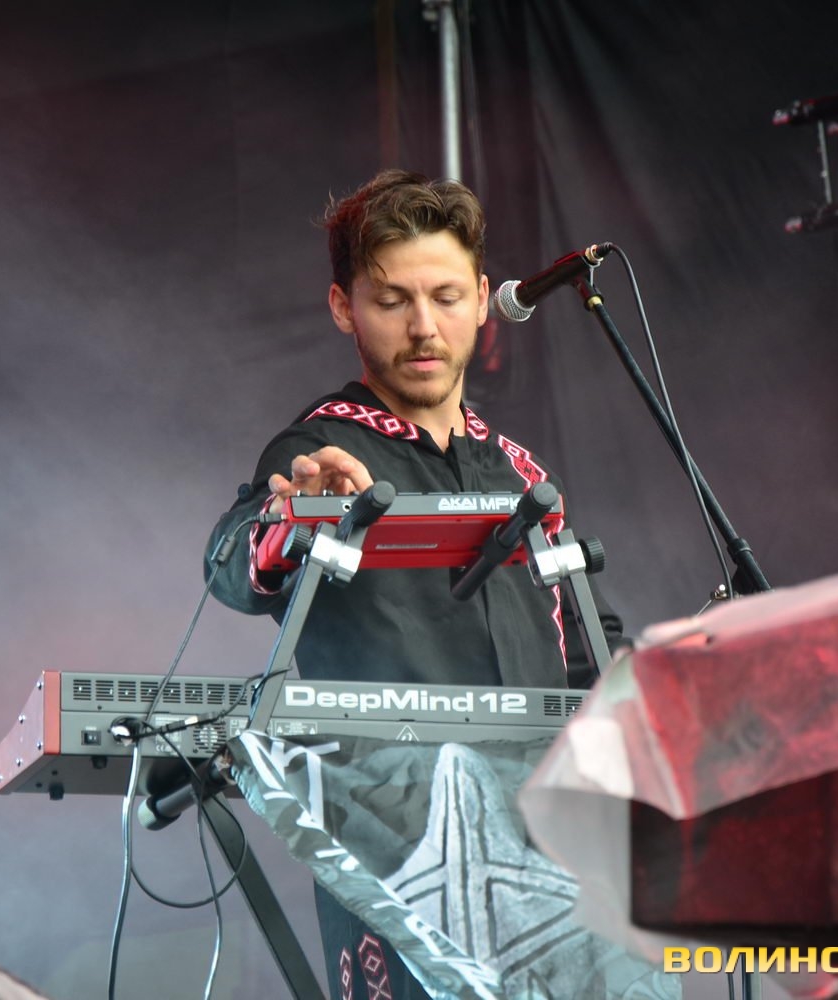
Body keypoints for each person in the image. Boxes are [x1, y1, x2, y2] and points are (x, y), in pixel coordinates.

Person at [206, 168, 624, 999]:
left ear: (483, 299)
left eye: (445, 296)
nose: (423, 326)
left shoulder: (520, 472)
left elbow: (593, 654)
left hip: (555, 856)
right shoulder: (318, 447)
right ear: (344, 308)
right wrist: (297, 519)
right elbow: (234, 563)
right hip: (399, 857)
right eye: (392, 300)